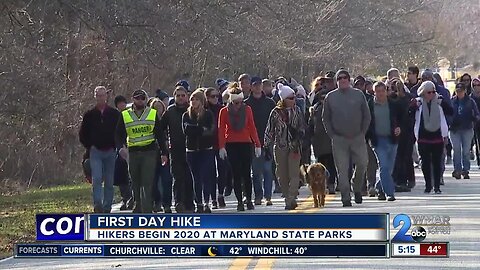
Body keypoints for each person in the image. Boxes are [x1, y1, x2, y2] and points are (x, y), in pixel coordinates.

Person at [322, 69, 371, 207]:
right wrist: (332, 134)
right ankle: (345, 197)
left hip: (357, 137)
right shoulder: (330, 97)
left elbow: (366, 115)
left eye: (345, 78)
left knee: (362, 163)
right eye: (340, 78)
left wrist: (363, 132)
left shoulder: (358, 94)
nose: (343, 80)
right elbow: (325, 118)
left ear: (349, 80)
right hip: (339, 139)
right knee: (342, 170)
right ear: (336, 81)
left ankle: (356, 188)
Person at [115, 89, 168, 213]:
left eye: (142, 98)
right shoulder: (125, 115)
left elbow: (160, 135)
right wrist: (121, 148)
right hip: (133, 152)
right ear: (133, 99)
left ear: (146, 99)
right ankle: (138, 205)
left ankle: (147, 208)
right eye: (137, 98)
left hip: (149, 151)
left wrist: (164, 153)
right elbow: (118, 134)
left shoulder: (152, 113)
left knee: (147, 181)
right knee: (135, 181)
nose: (140, 100)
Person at [218, 82, 261, 211]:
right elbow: (221, 129)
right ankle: (239, 201)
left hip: (245, 143)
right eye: (236, 102)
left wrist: (257, 144)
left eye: (240, 101)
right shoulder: (224, 111)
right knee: (236, 173)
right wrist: (221, 146)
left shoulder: (247, 109)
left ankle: (248, 198)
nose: (239, 105)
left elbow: (252, 127)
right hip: (231, 144)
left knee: (247, 173)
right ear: (231, 101)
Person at [79, 86, 120, 213]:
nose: (101, 98)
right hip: (95, 151)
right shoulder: (89, 115)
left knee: (109, 180)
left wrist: (116, 145)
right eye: (98, 95)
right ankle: (98, 204)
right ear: (95, 96)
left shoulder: (114, 114)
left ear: (106, 96)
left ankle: (107, 206)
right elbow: (82, 134)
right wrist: (90, 146)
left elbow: (120, 132)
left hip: (110, 151)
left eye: (103, 95)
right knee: (96, 178)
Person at [265, 83, 305, 210]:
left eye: (295, 97)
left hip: (294, 146)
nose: (294, 100)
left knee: (294, 174)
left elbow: (303, 127)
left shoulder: (297, 111)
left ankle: (291, 198)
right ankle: (287, 195)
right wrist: (266, 146)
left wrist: (299, 134)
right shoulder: (275, 113)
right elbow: (269, 130)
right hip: (280, 146)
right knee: (282, 174)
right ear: (284, 99)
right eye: (291, 98)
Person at [409, 81, 452, 194]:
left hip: (437, 137)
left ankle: (437, 186)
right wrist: (414, 106)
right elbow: (408, 113)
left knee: (437, 162)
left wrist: (442, 103)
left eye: (433, 92)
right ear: (423, 93)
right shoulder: (419, 102)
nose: (432, 94)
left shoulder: (439, 101)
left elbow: (450, 111)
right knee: (426, 162)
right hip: (423, 137)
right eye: (429, 92)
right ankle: (428, 185)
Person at [160, 85, 195, 213]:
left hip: (191, 149)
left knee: (190, 178)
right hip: (175, 150)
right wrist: (164, 143)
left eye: (183, 95)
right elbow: (160, 129)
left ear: (187, 96)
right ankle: (179, 203)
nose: (180, 98)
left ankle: (190, 204)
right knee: (178, 178)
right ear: (174, 97)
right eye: (178, 95)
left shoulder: (192, 110)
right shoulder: (169, 111)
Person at [367, 82, 402, 201]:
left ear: (386, 91)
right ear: (374, 92)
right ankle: (389, 193)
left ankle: (379, 188)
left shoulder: (393, 104)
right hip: (378, 140)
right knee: (384, 166)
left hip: (392, 139)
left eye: (382, 91)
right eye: (378, 91)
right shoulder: (370, 105)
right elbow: (366, 122)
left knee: (389, 168)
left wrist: (399, 127)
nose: (381, 94)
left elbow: (402, 118)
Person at [182, 89, 216, 213]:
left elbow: (210, 131)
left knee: (205, 176)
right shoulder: (186, 115)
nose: (194, 102)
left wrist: (197, 130)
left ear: (201, 101)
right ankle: (199, 203)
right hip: (191, 150)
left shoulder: (208, 114)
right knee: (195, 178)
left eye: (196, 99)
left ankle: (207, 202)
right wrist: (200, 129)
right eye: (192, 99)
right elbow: (186, 131)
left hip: (206, 149)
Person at [245, 76, 276, 206]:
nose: (257, 87)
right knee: (256, 171)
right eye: (255, 85)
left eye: (259, 85)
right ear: (251, 87)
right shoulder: (246, 104)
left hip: (267, 140)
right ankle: (258, 195)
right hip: (252, 142)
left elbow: (275, 121)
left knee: (268, 170)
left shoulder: (270, 103)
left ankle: (268, 196)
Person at [309, 82, 337, 194]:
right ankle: (321, 184)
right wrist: (310, 139)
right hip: (319, 143)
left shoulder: (334, 109)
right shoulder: (314, 110)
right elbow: (310, 125)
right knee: (320, 166)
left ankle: (331, 184)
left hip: (331, 141)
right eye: (322, 97)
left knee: (331, 165)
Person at [205, 87, 230, 208]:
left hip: (221, 144)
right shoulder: (204, 110)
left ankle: (221, 195)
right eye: (212, 96)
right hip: (208, 144)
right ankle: (213, 198)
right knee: (210, 172)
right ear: (207, 98)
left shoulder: (222, 109)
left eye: (216, 96)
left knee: (222, 170)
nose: (215, 99)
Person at [390, 78, 416, 191]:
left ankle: (400, 180)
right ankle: (408, 179)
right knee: (406, 156)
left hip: (400, 130)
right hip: (407, 130)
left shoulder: (393, 100)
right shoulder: (409, 98)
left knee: (399, 157)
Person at [449, 83, 479, 179]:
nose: (459, 93)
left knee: (466, 151)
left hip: (467, 128)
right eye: (457, 91)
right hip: (454, 129)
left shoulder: (470, 101)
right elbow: (447, 113)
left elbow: (477, 114)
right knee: (456, 150)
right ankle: (457, 170)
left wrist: (474, 118)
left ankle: (465, 170)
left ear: (465, 91)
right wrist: (451, 121)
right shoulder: (452, 101)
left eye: (461, 91)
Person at [113, 95, 134, 210]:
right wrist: (120, 147)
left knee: (132, 175)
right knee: (122, 174)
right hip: (121, 148)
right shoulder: (115, 116)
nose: (121, 105)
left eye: (123, 103)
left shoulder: (131, 114)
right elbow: (116, 134)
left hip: (133, 146)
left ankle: (133, 198)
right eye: (119, 103)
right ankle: (125, 198)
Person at [470, 78, 480, 167]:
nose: (476, 87)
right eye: (474, 85)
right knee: (477, 142)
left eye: (478, 85)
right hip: (476, 123)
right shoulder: (470, 98)